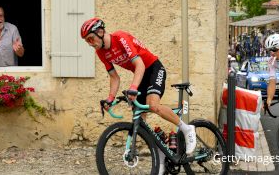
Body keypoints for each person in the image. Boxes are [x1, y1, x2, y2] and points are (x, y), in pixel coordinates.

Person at [80, 17, 197, 174]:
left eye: (91, 39)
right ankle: (161, 157)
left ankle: (187, 128)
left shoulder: (120, 38)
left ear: (100, 32)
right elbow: (114, 77)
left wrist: (133, 87)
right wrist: (110, 99)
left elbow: (140, 64)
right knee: (140, 120)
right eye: (87, 41)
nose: (90, 43)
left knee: (153, 104)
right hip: (140, 74)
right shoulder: (101, 52)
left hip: (153, 68)